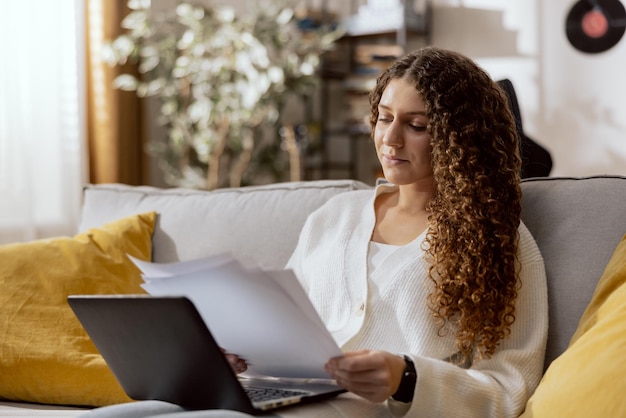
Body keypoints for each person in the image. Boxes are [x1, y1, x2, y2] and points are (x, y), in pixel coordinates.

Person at [81, 46, 547, 418]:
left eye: (417, 125)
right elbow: (284, 320)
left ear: (459, 137)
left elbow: (508, 388)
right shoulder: (336, 215)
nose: (390, 139)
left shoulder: (499, 241)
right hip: (273, 393)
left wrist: (405, 377)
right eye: (384, 117)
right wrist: (233, 353)